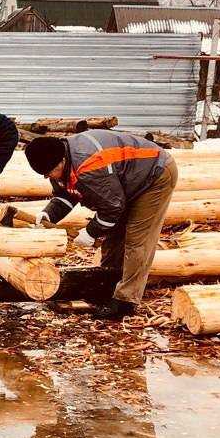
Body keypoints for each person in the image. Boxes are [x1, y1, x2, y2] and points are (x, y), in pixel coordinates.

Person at [24, 131, 179, 319]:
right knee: (114, 235)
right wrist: (49, 214)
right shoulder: (58, 159)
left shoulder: (90, 165)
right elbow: (66, 195)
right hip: (126, 181)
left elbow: (112, 208)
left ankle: (125, 301)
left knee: (136, 239)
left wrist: (91, 232)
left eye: (49, 173)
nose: (49, 177)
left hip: (155, 174)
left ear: (61, 161)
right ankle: (107, 285)